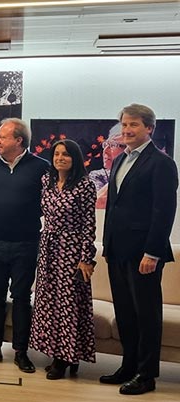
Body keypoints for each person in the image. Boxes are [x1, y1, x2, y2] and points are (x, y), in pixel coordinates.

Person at [100, 104, 178, 395]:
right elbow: (113, 208)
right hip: (118, 251)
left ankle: (147, 375)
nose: (127, 130)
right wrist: (107, 244)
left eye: (133, 125)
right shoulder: (120, 161)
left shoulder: (161, 163)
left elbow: (164, 211)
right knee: (125, 313)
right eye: (124, 125)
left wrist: (153, 252)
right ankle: (128, 365)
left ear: (149, 128)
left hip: (144, 254)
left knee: (146, 315)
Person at [0, 118, 48, 372]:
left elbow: (50, 204)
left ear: (19, 140)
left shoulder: (41, 167)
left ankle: (21, 351)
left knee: (21, 298)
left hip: (26, 244)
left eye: (3, 137)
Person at [29, 139, 97, 380]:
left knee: (69, 305)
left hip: (72, 250)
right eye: (57, 154)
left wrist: (86, 258)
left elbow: (89, 224)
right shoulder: (46, 180)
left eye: (66, 155)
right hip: (48, 247)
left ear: (75, 158)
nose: (60, 158)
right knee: (49, 302)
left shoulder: (85, 185)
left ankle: (65, 358)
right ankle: (61, 353)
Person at [88, 124, 126, 209]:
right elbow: (98, 203)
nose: (105, 151)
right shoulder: (98, 176)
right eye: (105, 144)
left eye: (114, 145)